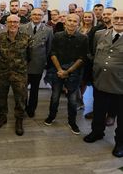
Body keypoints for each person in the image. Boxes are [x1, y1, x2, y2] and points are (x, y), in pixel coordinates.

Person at [83, 10, 123, 158]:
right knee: (99, 110)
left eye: (122, 18)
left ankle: (120, 143)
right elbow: (94, 53)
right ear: (111, 20)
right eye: (116, 18)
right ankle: (97, 132)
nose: (119, 20)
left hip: (120, 85)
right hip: (100, 81)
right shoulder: (100, 34)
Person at [43, 14, 88, 135]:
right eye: (70, 20)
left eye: (75, 21)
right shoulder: (57, 36)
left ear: (79, 23)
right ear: (65, 22)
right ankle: (51, 116)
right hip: (57, 71)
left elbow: (82, 58)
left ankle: (72, 122)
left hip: (74, 73)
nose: (72, 23)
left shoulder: (83, 38)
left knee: (73, 100)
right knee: (55, 97)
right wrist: (60, 70)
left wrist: (68, 72)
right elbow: (52, 53)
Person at [0, 15, 30, 136]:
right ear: (6, 24)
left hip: (19, 74)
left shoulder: (26, 38)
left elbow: (29, 56)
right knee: (1, 96)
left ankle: (19, 120)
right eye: (10, 22)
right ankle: (2, 116)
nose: (13, 24)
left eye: (15, 22)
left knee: (20, 98)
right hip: (3, 72)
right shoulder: (0, 38)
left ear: (19, 23)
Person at [20, 8, 53, 118]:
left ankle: (31, 108)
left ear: (43, 16)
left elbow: (49, 49)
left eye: (39, 15)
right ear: (31, 15)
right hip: (23, 64)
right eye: (34, 14)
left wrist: (45, 62)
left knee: (34, 89)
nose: (36, 16)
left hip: (38, 65)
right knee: (22, 89)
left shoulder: (48, 30)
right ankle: (22, 106)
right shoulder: (23, 27)